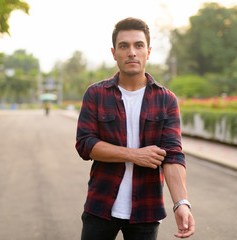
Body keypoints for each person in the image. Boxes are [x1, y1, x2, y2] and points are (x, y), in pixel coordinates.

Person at [75, 17, 195, 240]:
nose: (132, 52)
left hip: (146, 211)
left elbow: (173, 155)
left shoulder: (166, 99)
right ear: (114, 53)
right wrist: (134, 155)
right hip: (100, 207)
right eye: (124, 46)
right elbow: (85, 144)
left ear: (148, 51)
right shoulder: (96, 94)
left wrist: (181, 204)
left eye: (138, 45)